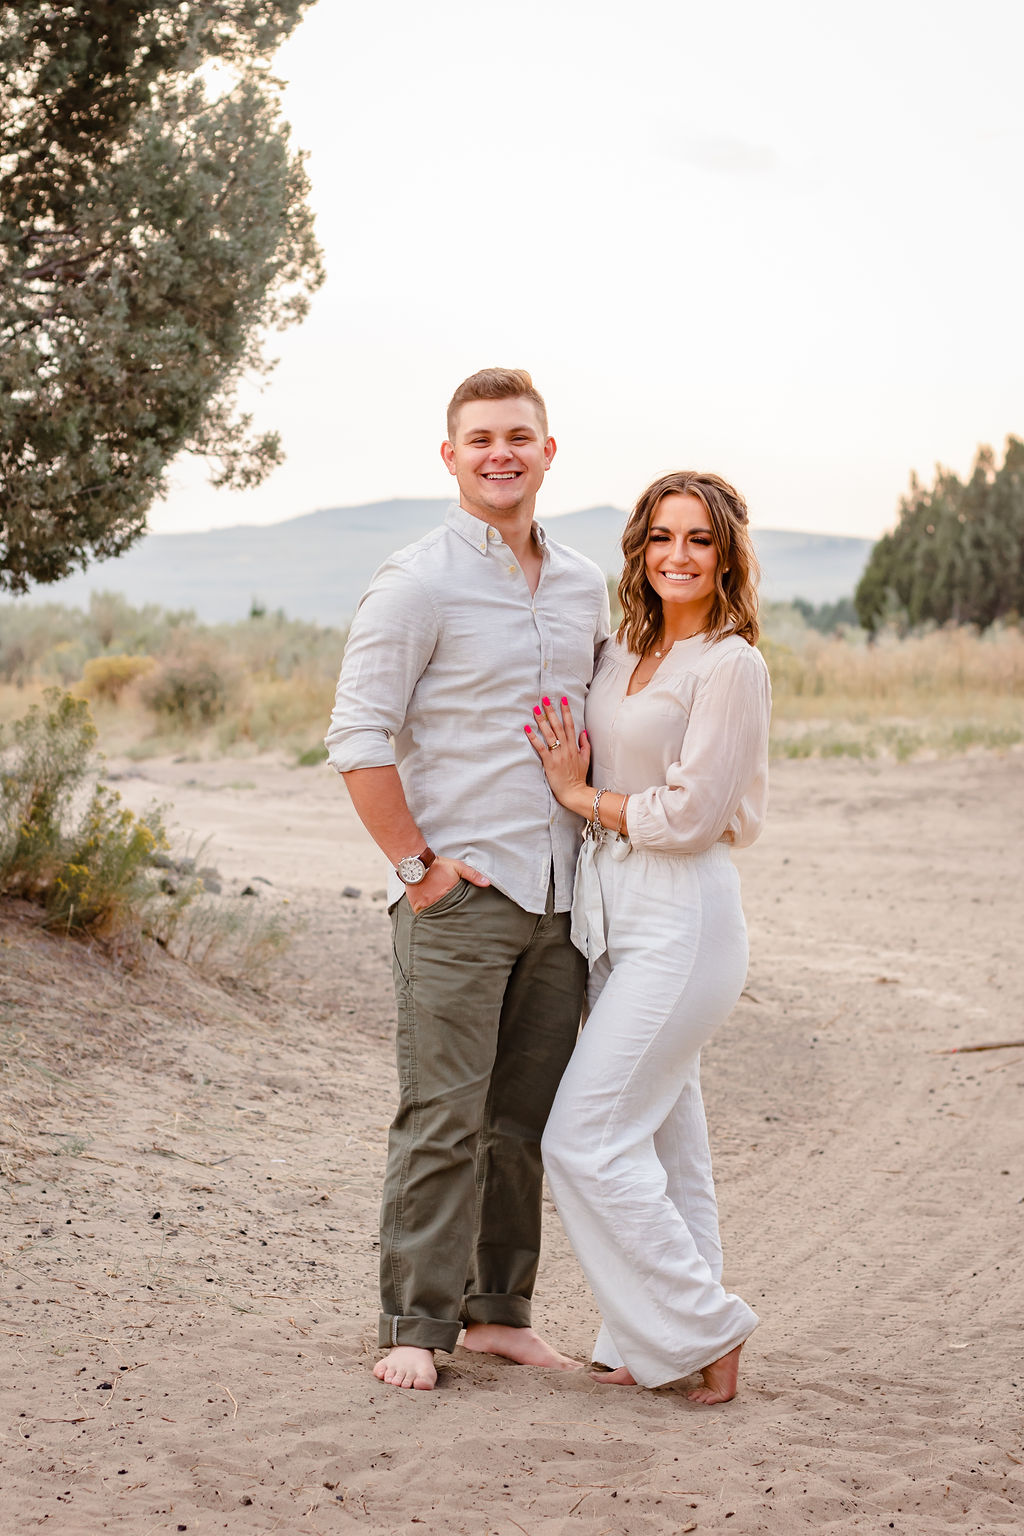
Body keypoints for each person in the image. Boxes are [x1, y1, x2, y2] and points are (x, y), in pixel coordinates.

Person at [325, 368, 610, 1391]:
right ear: (450, 456)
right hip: (462, 899)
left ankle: (498, 1310)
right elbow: (357, 736)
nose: (502, 452)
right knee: (442, 1118)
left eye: (520, 436)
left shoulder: (584, 584)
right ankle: (415, 1323)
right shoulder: (416, 581)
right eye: (481, 437)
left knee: (521, 1125)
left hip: (561, 900)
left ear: (547, 452)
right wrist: (418, 870)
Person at [524, 469, 770, 1404]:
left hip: (683, 914)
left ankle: (707, 1326)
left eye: (699, 540)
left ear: (726, 556)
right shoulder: (623, 649)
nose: (678, 555)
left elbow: (696, 813)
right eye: (662, 537)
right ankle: (653, 1338)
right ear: (640, 548)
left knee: (582, 1136)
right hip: (612, 911)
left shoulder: (730, 665)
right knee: (669, 1142)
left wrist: (584, 796)